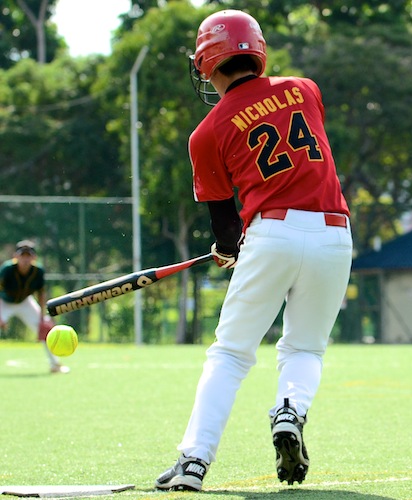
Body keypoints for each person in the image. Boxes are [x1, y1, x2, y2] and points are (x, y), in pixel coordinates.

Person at [155, 9, 352, 491]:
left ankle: (194, 462)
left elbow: (225, 223)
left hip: (271, 233)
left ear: (206, 62)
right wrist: (234, 243)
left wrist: (228, 249)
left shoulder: (206, 133)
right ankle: (290, 409)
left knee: (231, 354)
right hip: (334, 233)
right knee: (305, 346)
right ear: (256, 51)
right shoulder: (304, 89)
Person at [0, 240, 69, 374]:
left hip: (25, 302)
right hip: (4, 302)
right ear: (16, 256)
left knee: (47, 330)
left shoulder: (38, 271)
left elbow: (41, 293)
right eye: (22, 255)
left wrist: (42, 317)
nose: (25, 259)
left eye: (28, 256)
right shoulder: (7, 269)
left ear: (34, 257)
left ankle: (56, 365)